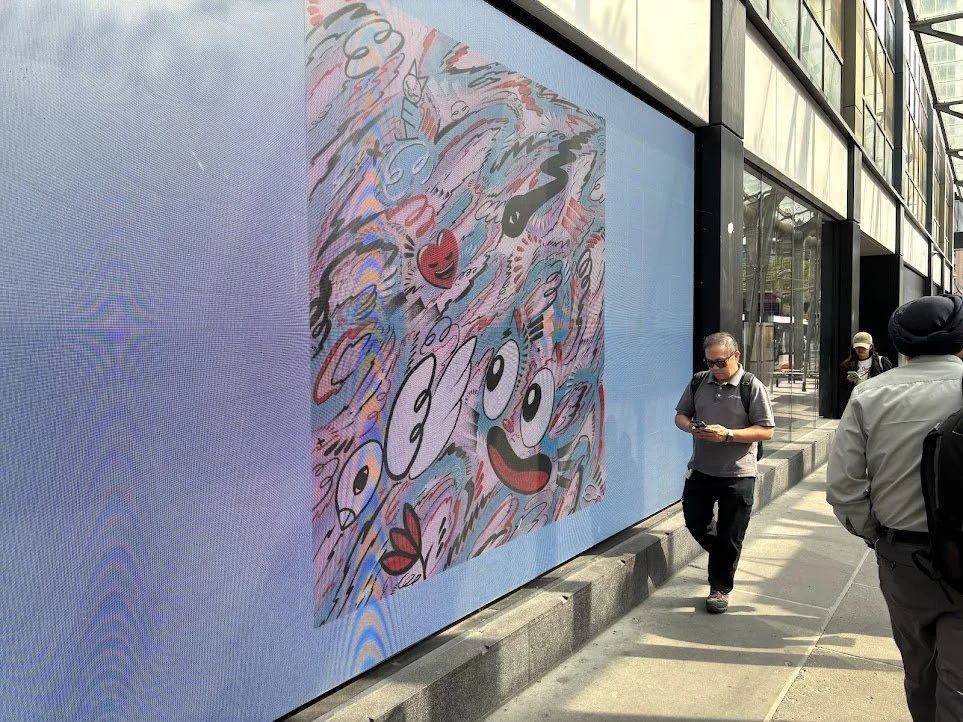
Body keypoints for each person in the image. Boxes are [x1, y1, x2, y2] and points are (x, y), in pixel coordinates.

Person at [826, 295, 963, 722]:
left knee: (919, 668)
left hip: (905, 558)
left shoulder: (869, 395)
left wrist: (877, 535)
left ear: (900, 343)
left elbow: (844, 489)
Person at [674, 332, 775, 613]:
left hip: (739, 474)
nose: (715, 368)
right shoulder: (698, 382)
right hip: (701, 469)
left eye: (720, 362)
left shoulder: (751, 386)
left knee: (731, 532)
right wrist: (691, 427)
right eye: (710, 362)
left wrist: (728, 434)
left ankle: (719, 589)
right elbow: (680, 415)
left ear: (736, 356)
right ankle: (724, 556)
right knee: (695, 521)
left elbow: (766, 431)